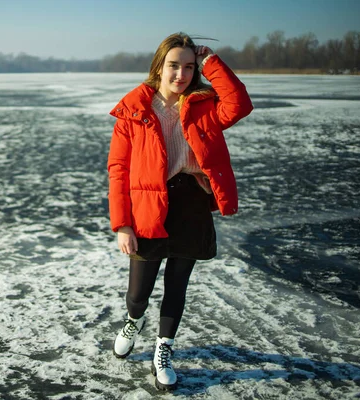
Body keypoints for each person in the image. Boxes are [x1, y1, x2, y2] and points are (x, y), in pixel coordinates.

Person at [107, 32, 253, 390]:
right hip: (148, 207)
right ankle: (133, 319)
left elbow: (239, 104)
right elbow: (118, 169)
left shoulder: (203, 105)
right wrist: (122, 224)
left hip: (190, 204)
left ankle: (163, 350)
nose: (181, 75)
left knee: (177, 285)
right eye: (174, 66)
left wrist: (211, 63)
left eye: (189, 67)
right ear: (159, 66)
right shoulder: (134, 108)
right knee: (138, 292)